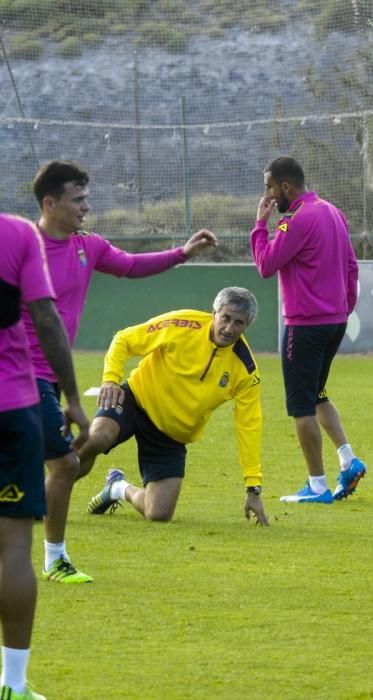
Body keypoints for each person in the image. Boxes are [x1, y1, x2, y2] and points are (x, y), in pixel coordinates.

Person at [24, 160, 218, 584]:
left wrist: (181, 254)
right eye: (78, 200)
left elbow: (131, 265)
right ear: (49, 203)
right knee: (62, 465)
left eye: (86, 199)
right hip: (18, 374)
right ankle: (54, 558)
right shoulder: (21, 245)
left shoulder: (86, 246)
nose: (86, 207)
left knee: (55, 465)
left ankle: (50, 553)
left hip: (51, 377)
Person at [81, 287, 269, 526]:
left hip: (170, 435)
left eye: (239, 323)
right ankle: (46, 497)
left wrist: (253, 488)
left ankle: (117, 488)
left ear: (247, 326)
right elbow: (124, 339)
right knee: (96, 439)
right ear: (214, 313)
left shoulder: (246, 370)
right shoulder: (181, 324)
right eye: (226, 318)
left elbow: (249, 425)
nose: (229, 328)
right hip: (135, 400)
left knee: (158, 514)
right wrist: (110, 378)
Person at [0, 213, 88, 700]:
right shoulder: (17, 233)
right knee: (13, 547)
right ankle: (12, 685)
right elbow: (45, 317)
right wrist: (72, 396)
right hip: (11, 406)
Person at [250, 156, 366, 504]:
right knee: (316, 394)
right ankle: (348, 460)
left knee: (301, 406)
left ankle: (317, 485)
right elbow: (351, 266)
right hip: (334, 321)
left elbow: (266, 265)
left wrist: (260, 225)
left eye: (269, 187)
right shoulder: (333, 211)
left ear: (285, 187)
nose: (268, 195)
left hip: (305, 324)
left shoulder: (296, 220)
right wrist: (343, 308)